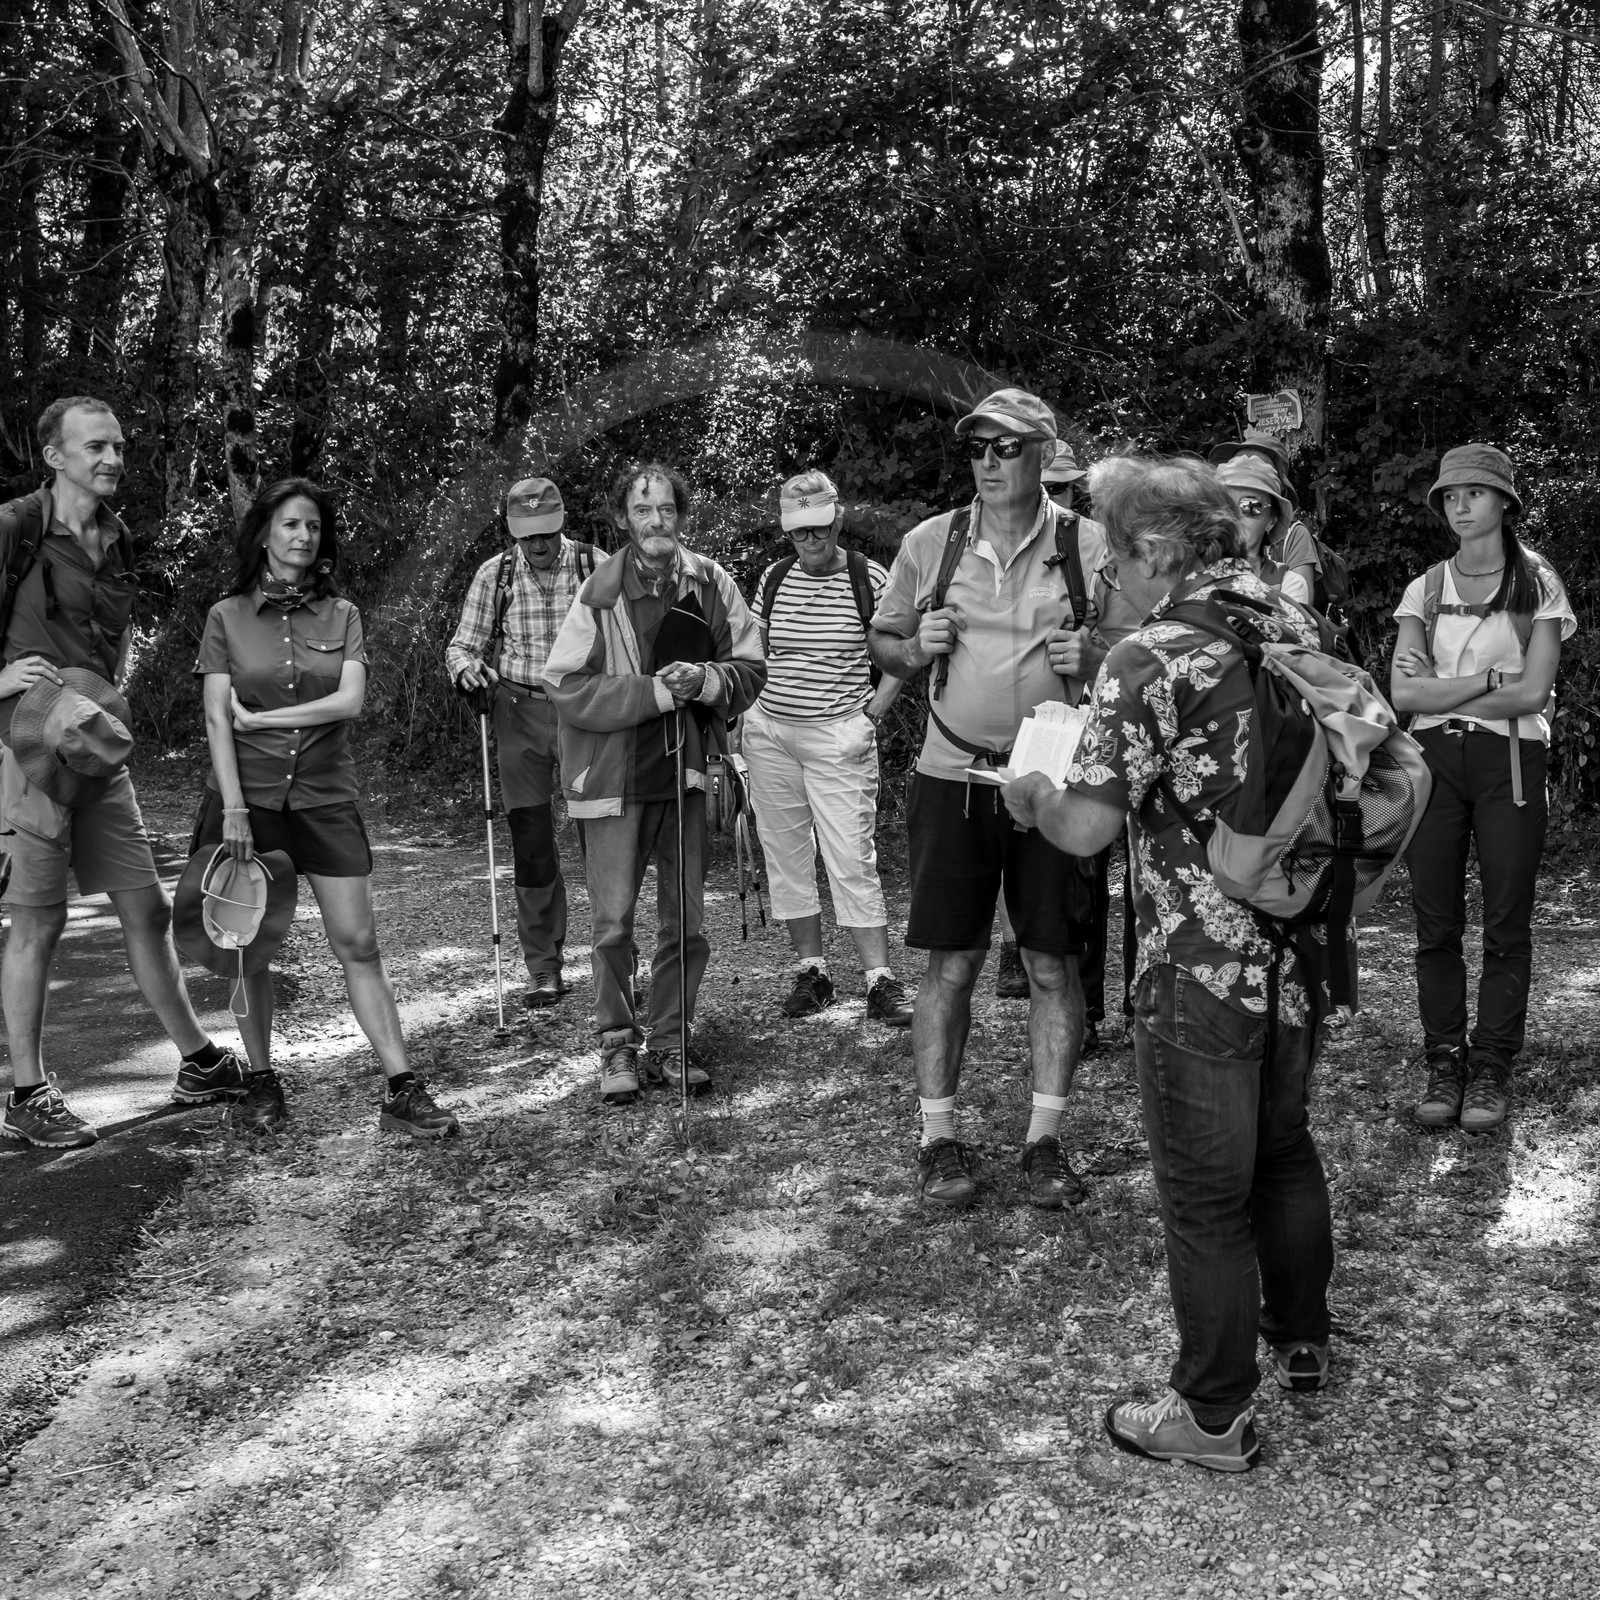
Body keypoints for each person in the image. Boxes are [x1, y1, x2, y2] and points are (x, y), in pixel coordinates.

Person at [1002, 453, 1334, 1473]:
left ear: (1153, 548)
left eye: (1112, 560)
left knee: (1203, 1194)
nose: (1107, 579)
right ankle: (1302, 1338)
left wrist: (1032, 795)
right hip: (1296, 945)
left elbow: (1085, 827)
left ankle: (1212, 1416)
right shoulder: (1289, 620)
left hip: (1198, 960)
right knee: (1283, 1148)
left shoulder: (1147, 658)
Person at [867, 387, 1107, 1210]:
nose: (989, 462)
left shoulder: (1089, 545)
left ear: (1044, 454)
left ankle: (1045, 1142)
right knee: (953, 962)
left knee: (1050, 962)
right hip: (950, 774)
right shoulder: (932, 542)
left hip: (1053, 778)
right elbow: (884, 639)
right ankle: (937, 1140)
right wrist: (912, 647)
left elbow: (1145, 648)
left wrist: (1097, 654)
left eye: (1006, 447)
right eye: (977, 448)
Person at [0, 396, 247, 1149]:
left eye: (118, 446)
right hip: (26, 753)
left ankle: (198, 1061)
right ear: (54, 456)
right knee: (39, 921)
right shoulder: (13, 528)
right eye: (96, 447)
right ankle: (27, 1093)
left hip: (97, 748)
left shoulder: (118, 537)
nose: (113, 458)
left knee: (145, 906)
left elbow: (117, 637)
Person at [192, 476, 460, 1139]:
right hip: (249, 802)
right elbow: (219, 720)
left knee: (358, 942)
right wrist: (233, 809)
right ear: (264, 534)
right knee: (250, 949)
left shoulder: (342, 615)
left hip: (325, 797)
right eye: (290, 524)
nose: (304, 536)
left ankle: (402, 1088)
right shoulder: (226, 617)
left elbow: (349, 701)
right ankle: (262, 1080)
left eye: (313, 526)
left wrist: (264, 721)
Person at [542, 462, 766, 1105]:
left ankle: (671, 1039)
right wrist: (657, 694)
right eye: (643, 510)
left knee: (687, 922)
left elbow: (752, 667)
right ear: (623, 518)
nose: (656, 521)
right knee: (613, 923)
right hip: (611, 779)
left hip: (689, 775)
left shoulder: (713, 582)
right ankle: (617, 1042)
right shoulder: (598, 594)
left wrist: (709, 681)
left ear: (682, 517)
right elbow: (564, 686)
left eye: (667, 509)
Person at [1390, 444, 1573, 1133]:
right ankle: (1444, 1060)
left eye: (1473, 493)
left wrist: (1448, 691)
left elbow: (1535, 694)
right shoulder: (1425, 588)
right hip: (1433, 762)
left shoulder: (1537, 585)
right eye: (1450, 495)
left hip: (1512, 760)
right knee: (1435, 923)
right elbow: (1403, 694)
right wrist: (1490, 681)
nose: (1459, 506)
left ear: (1504, 502)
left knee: (1506, 921)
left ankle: (1492, 1064)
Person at [744, 470, 913, 1026]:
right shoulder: (774, 577)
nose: (810, 539)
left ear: (838, 520)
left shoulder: (870, 578)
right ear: (786, 530)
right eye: (799, 531)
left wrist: (875, 711)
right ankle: (812, 972)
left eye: (819, 527)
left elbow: (903, 651)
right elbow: (755, 650)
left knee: (850, 857)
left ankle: (879, 980)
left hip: (839, 733)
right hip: (770, 733)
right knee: (786, 855)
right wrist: (743, 717)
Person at [446, 477, 596, 1008]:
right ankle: (544, 967)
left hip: (585, 711)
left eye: (546, 533)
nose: (538, 544)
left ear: (561, 525)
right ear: (514, 531)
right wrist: (468, 671)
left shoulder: (593, 566)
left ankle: (615, 957)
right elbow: (462, 646)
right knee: (531, 843)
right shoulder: (497, 574)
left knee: (601, 838)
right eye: (527, 535)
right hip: (517, 710)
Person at [1208, 430, 1318, 604]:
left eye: (1251, 506)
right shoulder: (1187, 571)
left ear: (1272, 519)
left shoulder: (1290, 578)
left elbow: (1300, 611)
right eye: (1225, 505)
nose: (1235, 517)